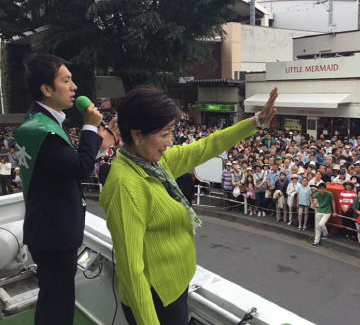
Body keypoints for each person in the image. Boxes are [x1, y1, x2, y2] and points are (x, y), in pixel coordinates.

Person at [99, 85, 278, 325]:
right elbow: (132, 273)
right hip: (156, 300)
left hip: (173, 285)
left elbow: (206, 147)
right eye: (164, 134)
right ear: (137, 134)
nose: (170, 141)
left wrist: (255, 122)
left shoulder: (152, 163)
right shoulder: (126, 187)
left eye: (172, 132)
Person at [15, 53, 117, 325]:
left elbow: (64, 167)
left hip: (48, 230)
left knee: (53, 301)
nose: (74, 87)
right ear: (46, 89)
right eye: (66, 80)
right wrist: (90, 127)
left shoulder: (39, 122)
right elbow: (79, 170)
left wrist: (97, 144)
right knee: (58, 306)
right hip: (55, 234)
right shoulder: (43, 131)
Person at [312, 183, 337, 247]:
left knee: (321, 224)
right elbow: (314, 201)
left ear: (325, 189)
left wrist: (334, 212)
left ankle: (325, 233)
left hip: (327, 211)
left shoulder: (329, 194)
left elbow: (333, 202)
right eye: (320, 189)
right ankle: (316, 241)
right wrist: (313, 204)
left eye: (323, 189)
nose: (321, 190)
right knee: (317, 227)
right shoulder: (317, 194)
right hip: (319, 210)